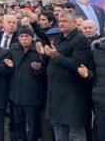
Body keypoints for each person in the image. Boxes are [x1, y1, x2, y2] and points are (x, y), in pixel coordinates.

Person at [42, 11, 90, 141]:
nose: (61, 24)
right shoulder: (59, 38)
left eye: (65, 21)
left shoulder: (81, 40)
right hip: (56, 92)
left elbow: (78, 64)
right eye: (60, 21)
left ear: (74, 23)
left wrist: (56, 56)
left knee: (76, 131)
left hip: (72, 94)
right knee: (58, 127)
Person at [5, 27, 45, 141]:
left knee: (33, 125)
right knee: (18, 123)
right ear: (18, 38)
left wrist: (38, 70)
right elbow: (8, 67)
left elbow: (46, 73)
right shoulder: (13, 48)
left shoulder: (38, 50)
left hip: (32, 95)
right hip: (16, 94)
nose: (24, 39)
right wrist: (8, 65)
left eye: (27, 36)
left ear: (32, 38)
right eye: (21, 36)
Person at [78, 36, 105, 141]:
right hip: (100, 101)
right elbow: (91, 72)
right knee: (100, 133)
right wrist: (87, 74)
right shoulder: (96, 49)